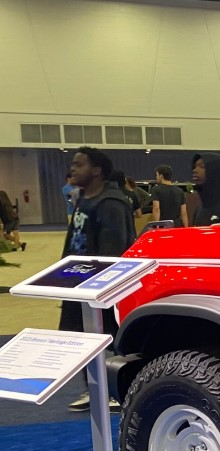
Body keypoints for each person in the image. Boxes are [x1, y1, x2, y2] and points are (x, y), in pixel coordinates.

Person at [61, 147, 135, 411]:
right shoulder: (84, 198)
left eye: (79, 164)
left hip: (101, 287)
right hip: (77, 282)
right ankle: (94, 389)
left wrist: (99, 287)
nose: (73, 168)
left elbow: (111, 253)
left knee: (110, 338)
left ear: (96, 170)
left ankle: (117, 391)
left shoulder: (111, 204)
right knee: (80, 337)